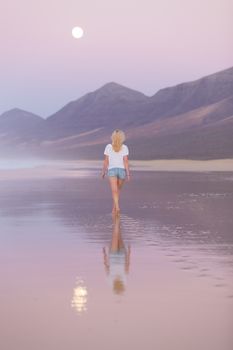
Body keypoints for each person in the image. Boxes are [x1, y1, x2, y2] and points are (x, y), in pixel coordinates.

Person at [101, 129, 130, 214]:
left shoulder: (108, 146)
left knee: (114, 191)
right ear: (122, 137)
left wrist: (103, 171)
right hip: (122, 171)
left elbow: (106, 161)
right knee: (118, 191)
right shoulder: (124, 147)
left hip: (112, 170)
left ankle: (116, 207)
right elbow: (126, 161)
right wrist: (128, 174)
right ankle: (115, 208)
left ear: (113, 137)